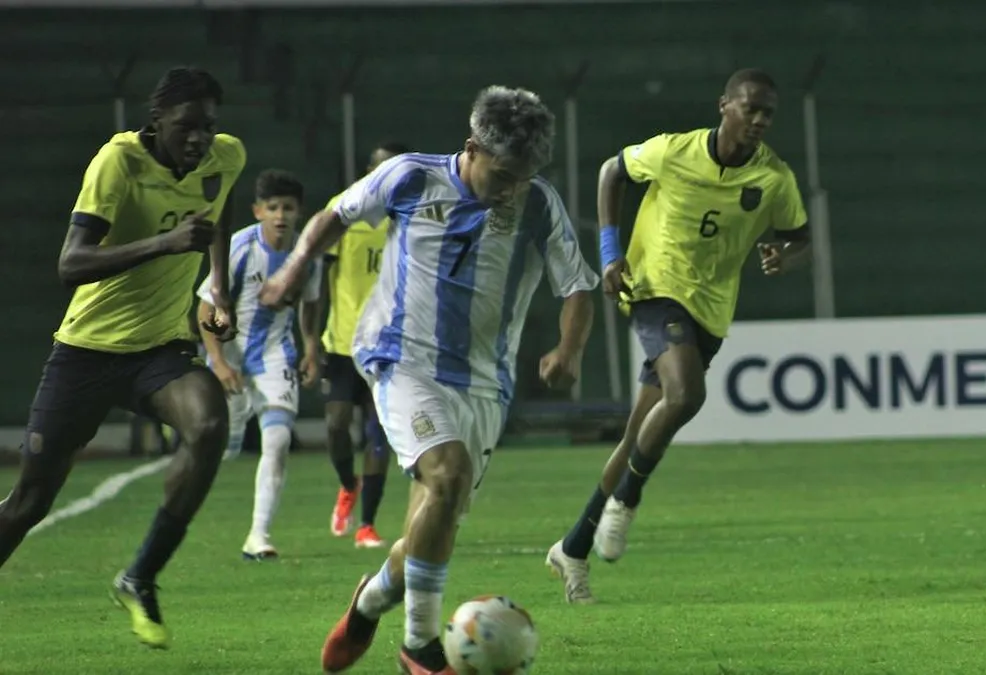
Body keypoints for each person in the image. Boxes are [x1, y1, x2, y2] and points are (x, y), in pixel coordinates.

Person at [260, 85, 598, 675]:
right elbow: (335, 216)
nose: (511, 189)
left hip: (485, 384)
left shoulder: (539, 204)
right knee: (448, 472)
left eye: (523, 177)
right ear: (472, 148)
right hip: (402, 359)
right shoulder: (411, 177)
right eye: (503, 175)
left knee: (431, 523)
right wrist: (294, 269)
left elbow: (577, 287)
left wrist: (569, 349)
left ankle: (368, 604)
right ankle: (418, 647)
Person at [545, 68, 811, 604]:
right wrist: (610, 253)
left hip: (710, 311)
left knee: (638, 435)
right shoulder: (672, 152)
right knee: (687, 394)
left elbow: (801, 237)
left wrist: (785, 257)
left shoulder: (773, 178)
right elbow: (611, 172)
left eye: (768, 113)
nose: (760, 120)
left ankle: (572, 548)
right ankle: (627, 500)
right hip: (654, 287)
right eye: (750, 108)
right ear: (724, 106)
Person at [0, 66, 244, 648]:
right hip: (85, 354)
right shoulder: (119, 163)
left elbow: (220, 208)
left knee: (210, 424)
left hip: (160, 350)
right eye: (186, 126)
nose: (198, 138)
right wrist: (165, 243)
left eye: (207, 126)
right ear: (156, 121)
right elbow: (71, 263)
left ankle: (140, 577)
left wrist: (219, 286)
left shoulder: (225, 156)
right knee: (29, 503)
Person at [196, 169, 321, 560]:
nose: (281, 215)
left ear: (299, 212)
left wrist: (311, 347)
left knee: (278, 441)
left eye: (288, 208)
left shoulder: (306, 253)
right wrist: (218, 362)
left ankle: (258, 535)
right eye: (273, 207)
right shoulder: (239, 247)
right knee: (225, 448)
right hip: (230, 353)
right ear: (258, 211)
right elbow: (205, 308)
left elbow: (311, 302)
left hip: (275, 352)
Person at [323, 141, 411, 549]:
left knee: (378, 435)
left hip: (389, 345)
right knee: (336, 425)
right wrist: (311, 344)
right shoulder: (344, 209)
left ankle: (368, 525)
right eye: (379, 168)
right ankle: (348, 483)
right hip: (342, 343)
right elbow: (317, 280)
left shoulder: (411, 216)